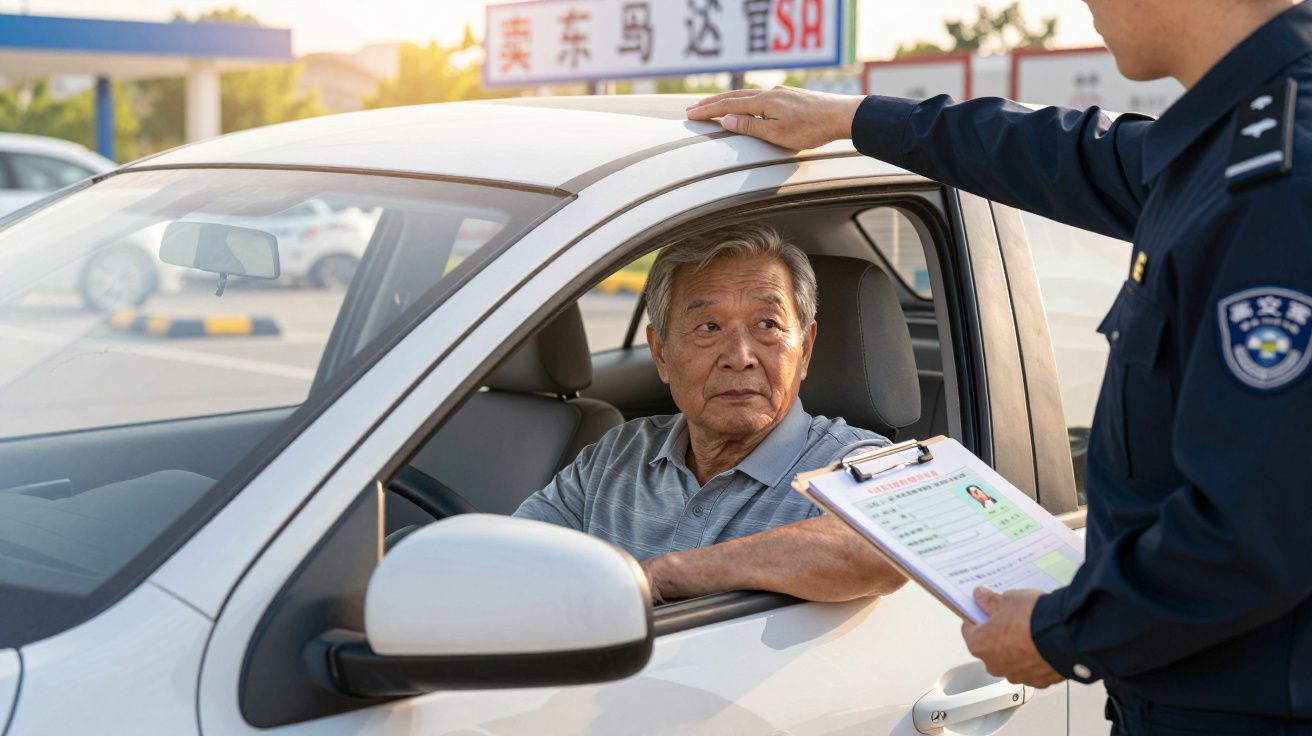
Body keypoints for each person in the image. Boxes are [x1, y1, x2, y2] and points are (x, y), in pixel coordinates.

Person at [687, 0, 1312, 731]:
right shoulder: (1234, 137)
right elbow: (1069, 153)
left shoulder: (1281, 182)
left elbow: (1258, 530)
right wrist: (854, 118)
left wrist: (1061, 632)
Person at [514, 224, 906, 605]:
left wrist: (664, 577)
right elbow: (511, 557)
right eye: (709, 326)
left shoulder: (855, 461)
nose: (739, 356)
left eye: (767, 324)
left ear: (804, 350)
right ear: (661, 353)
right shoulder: (618, 454)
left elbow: (888, 547)